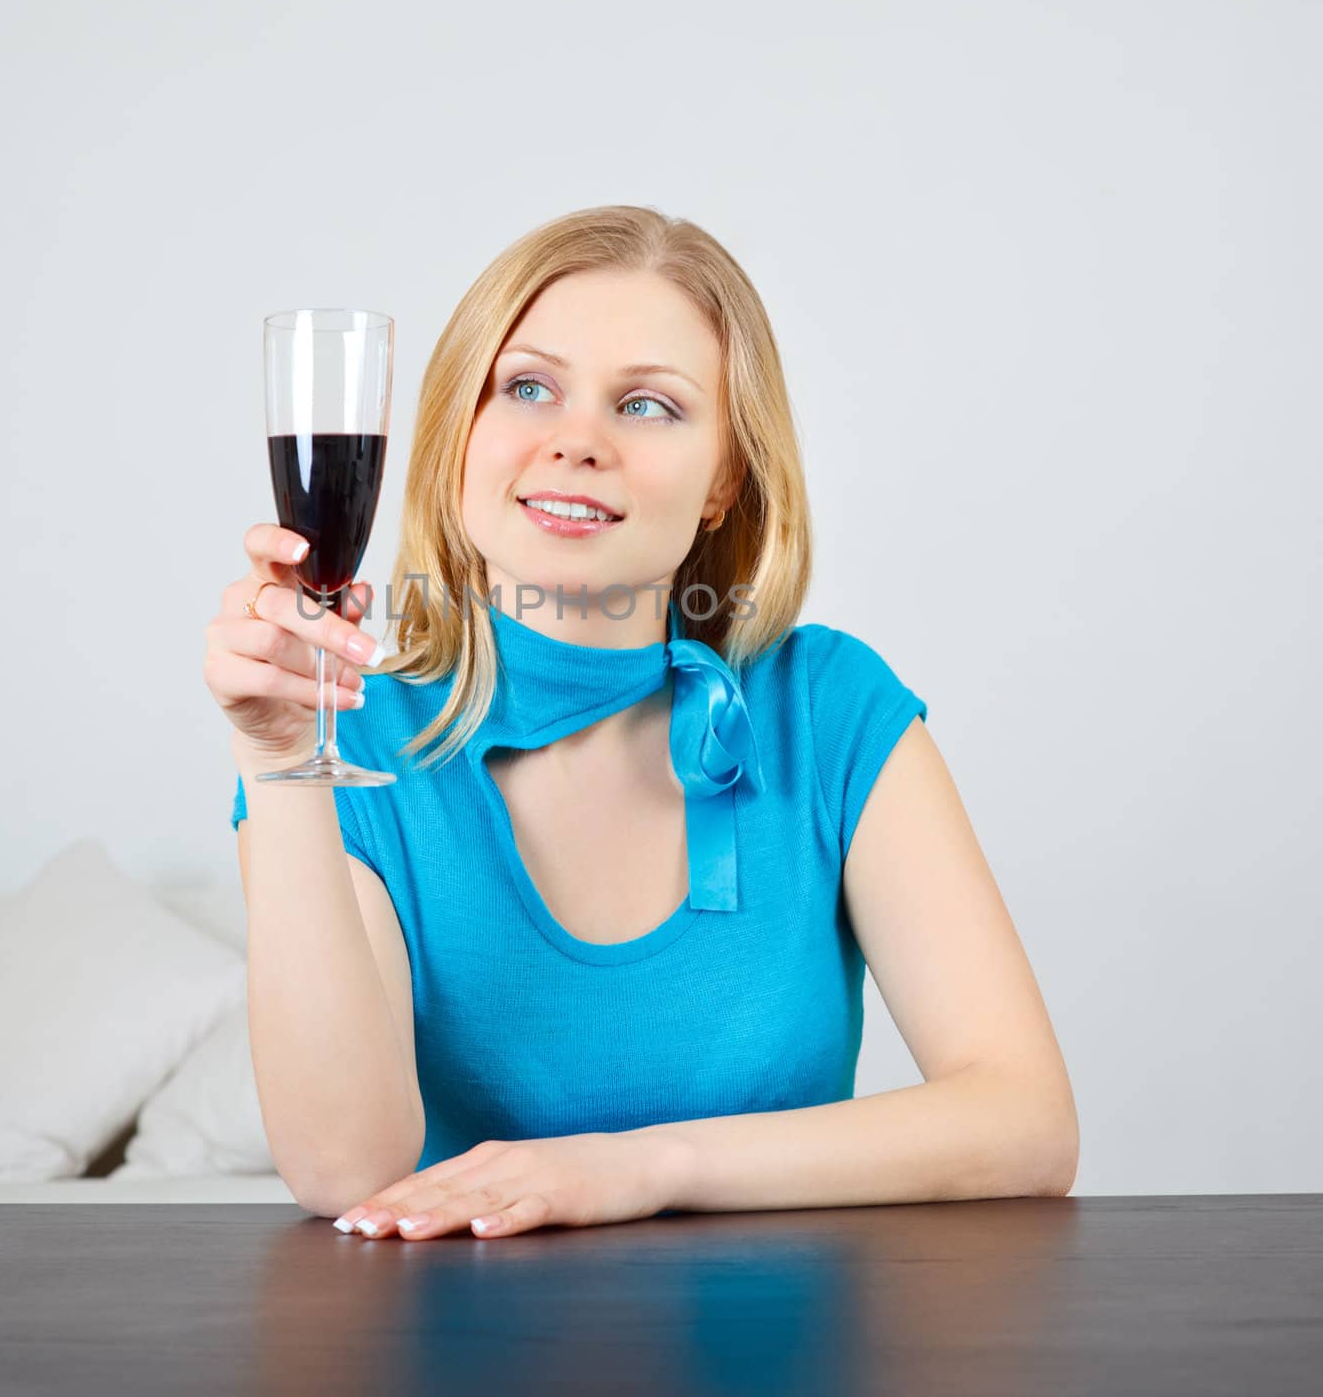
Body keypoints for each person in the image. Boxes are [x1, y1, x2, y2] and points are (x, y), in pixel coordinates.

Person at [202, 204, 1079, 1240]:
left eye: (650, 405)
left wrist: (641, 1166)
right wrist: (277, 761)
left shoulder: (828, 708)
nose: (577, 441)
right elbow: (342, 1167)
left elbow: (1026, 1124)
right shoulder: (354, 741)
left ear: (723, 482)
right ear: (457, 436)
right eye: (528, 387)